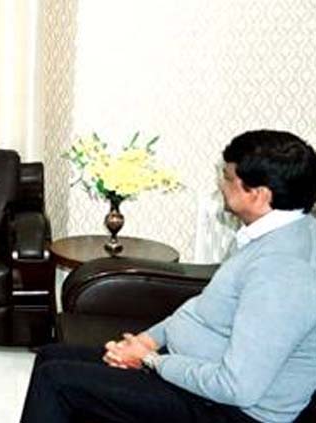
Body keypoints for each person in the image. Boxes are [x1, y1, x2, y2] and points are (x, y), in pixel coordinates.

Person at [21, 130, 316, 423]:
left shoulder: (283, 272)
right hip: (194, 374)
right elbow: (202, 309)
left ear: (259, 194)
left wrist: (151, 361)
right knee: (51, 356)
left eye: (227, 177)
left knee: (56, 381)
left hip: (230, 411)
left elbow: (236, 388)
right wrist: (147, 340)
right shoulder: (267, 236)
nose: (220, 183)